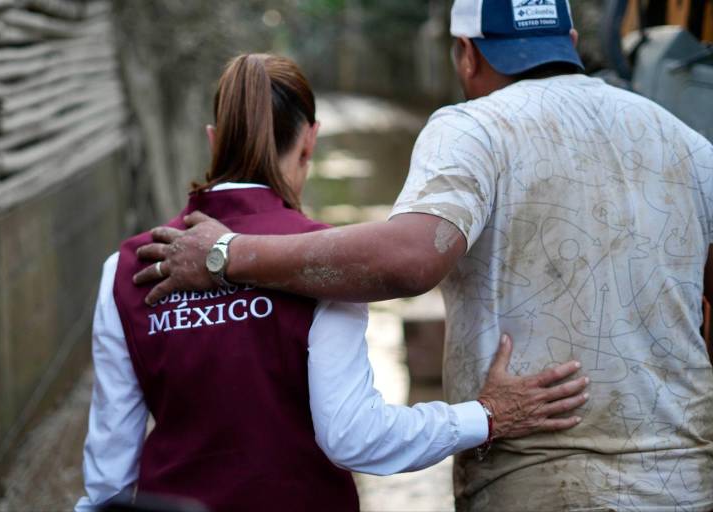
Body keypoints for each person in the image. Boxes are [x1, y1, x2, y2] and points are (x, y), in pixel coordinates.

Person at [134, 1, 713, 510]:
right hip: (685, 479)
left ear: (465, 54)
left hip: (544, 482)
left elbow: (410, 260)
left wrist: (227, 254)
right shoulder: (686, 142)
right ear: (570, 43)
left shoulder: (475, 128)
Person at [76, 53, 589, 512]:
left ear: (214, 140)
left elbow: (106, 480)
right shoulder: (329, 261)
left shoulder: (126, 267)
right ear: (310, 140)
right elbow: (354, 438)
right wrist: (489, 414)